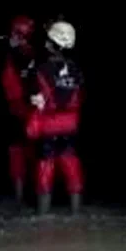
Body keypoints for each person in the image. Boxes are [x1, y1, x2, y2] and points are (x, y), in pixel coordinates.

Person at [27, 20, 83, 214]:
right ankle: (77, 214)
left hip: (48, 127)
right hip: (71, 127)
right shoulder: (77, 70)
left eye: (48, 40)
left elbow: (34, 99)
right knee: (72, 168)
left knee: (45, 170)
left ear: (53, 44)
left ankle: (43, 218)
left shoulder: (40, 69)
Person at [1, 15, 37, 205]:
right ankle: (33, 196)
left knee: (17, 155)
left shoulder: (12, 57)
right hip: (32, 113)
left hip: (18, 112)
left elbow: (10, 88)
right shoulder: (35, 55)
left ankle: (19, 198)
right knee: (31, 155)